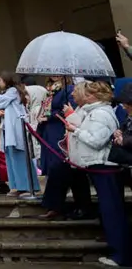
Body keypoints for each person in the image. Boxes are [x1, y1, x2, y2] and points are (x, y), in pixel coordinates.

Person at [62, 80, 127, 267]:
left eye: (83, 92)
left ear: (93, 96)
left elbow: (96, 141)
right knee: (110, 210)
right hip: (100, 166)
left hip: (104, 166)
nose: (77, 94)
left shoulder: (99, 114)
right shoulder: (95, 112)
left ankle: (120, 255)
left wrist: (76, 131)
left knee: (112, 211)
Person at [39, 76, 92, 219]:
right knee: (59, 170)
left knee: (65, 169)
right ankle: (56, 206)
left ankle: (75, 206)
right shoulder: (52, 91)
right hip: (60, 136)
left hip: (71, 138)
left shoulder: (71, 93)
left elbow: (75, 117)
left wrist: (57, 115)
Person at [0, 71, 39, 195]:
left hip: (16, 128)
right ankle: (18, 186)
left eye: (0, 80)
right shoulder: (10, 93)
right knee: (12, 158)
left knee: (19, 157)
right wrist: (0, 113)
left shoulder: (12, 92)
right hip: (9, 128)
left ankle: (27, 186)